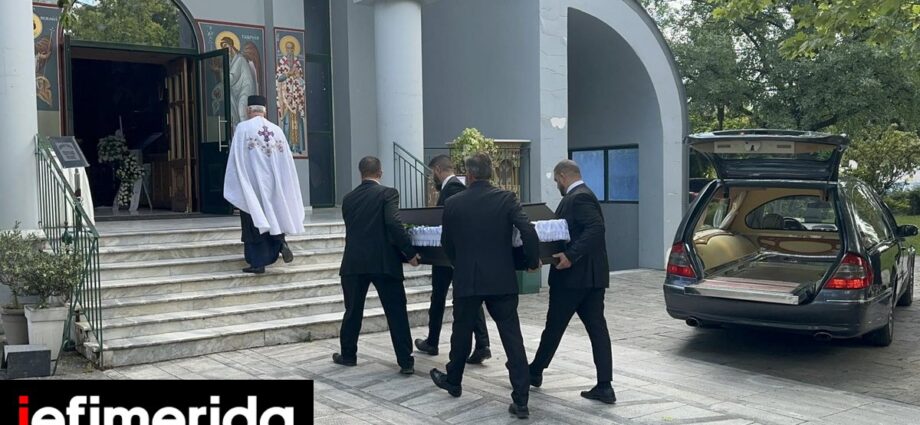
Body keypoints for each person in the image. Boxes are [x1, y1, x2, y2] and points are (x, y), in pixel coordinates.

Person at [429, 153, 540, 419]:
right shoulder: (507, 198)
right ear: (491, 173)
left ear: (469, 175)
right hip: (501, 278)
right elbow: (528, 230)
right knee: (512, 337)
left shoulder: (453, 203)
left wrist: (459, 263)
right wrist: (530, 261)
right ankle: (521, 399)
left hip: (468, 276)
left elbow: (446, 243)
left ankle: (453, 381)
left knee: (461, 331)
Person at [529, 159, 615, 404]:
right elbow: (565, 233)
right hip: (590, 278)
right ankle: (604, 385)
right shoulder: (583, 195)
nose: (557, 185)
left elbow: (596, 228)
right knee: (596, 330)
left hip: (573, 278)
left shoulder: (579, 197)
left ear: (563, 176)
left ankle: (535, 371)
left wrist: (570, 256)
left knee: (555, 327)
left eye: (556, 180)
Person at [334, 156, 422, 374]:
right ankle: (405, 361)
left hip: (354, 262)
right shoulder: (388, 193)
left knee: (352, 311)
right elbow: (393, 223)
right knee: (396, 312)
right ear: (380, 173)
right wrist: (410, 252)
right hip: (384, 261)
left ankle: (348, 355)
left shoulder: (348, 199)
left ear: (360, 173)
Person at [414, 155, 492, 364]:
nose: (432, 178)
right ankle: (438, 340)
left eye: (432, 173)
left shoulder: (454, 188)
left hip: (451, 254)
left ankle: (479, 344)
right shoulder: (453, 187)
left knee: (455, 298)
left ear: (438, 170)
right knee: (445, 297)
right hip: (449, 254)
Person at [223, 95, 304, 274]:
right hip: (274, 184)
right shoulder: (277, 130)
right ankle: (280, 242)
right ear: (265, 111)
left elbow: (236, 158)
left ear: (248, 110)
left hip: (252, 184)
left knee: (253, 221)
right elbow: (286, 162)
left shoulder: (243, 128)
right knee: (274, 213)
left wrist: (239, 181)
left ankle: (257, 262)